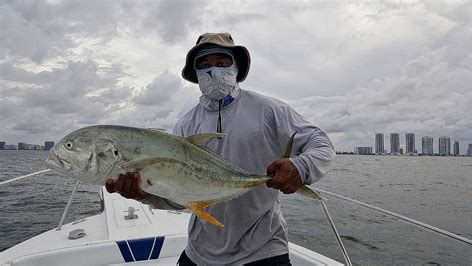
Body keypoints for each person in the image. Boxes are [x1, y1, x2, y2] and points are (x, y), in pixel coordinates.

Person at [106, 32, 336, 265]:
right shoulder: (186, 124)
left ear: (236, 67)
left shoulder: (268, 109)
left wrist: (301, 166)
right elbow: (178, 197)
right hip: (199, 252)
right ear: (196, 74)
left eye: (221, 62)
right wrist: (144, 194)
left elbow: (320, 142)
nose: (212, 70)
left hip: (263, 251)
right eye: (204, 65)